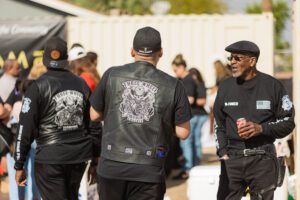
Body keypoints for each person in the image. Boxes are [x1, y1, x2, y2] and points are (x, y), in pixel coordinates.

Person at [90, 26, 191, 200]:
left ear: (132, 51)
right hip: (148, 169)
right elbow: (183, 132)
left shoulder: (112, 75)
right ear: (160, 52)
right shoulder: (173, 84)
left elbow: (94, 115)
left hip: (112, 165)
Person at [14, 37, 100, 200]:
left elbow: (25, 127)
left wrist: (19, 164)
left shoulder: (37, 86)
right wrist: (95, 159)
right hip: (77, 156)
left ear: (45, 59)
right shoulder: (81, 84)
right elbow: (94, 124)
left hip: (50, 158)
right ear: (65, 59)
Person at [214, 40, 295, 200]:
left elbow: (288, 122)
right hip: (232, 159)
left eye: (237, 58)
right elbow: (219, 124)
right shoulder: (225, 87)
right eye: (231, 58)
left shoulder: (273, 86)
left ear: (252, 61)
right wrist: (223, 152)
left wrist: (261, 129)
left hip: (262, 159)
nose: (232, 63)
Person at [172, 55, 207, 179]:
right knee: (194, 142)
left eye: (175, 70)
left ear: (181, 67)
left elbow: (190, 99)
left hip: (192, 115)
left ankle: (189, 170)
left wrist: (175, 101)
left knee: (186, 143)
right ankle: (195, 167)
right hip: (197, 115)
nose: (175, 73)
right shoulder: (189, 79)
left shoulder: (187, 79)